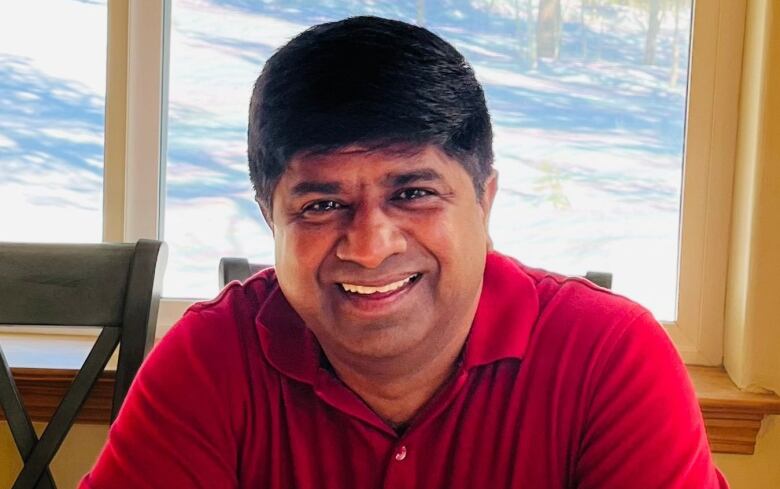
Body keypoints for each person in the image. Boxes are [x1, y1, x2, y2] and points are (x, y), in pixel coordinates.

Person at [80, 16, 727, 489]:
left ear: (485, 200)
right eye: (320, 205)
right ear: (270, 219)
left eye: (414, 192)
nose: (368, 246)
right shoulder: (210, 361)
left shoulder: (610, 358)